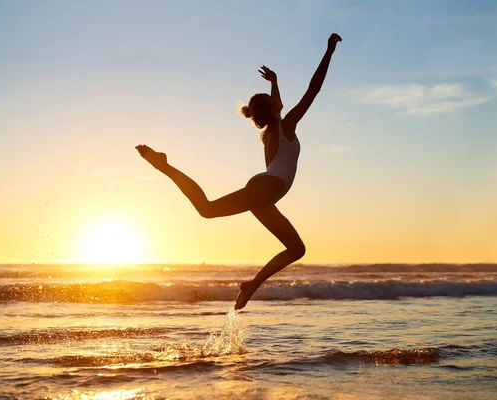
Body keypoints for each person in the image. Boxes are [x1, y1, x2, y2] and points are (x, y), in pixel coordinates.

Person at [136, 33, 342, 310]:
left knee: (294, 248)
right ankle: (163, 165)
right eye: (276, 103)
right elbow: (313, 89)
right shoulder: (286, 125)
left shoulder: (273, 131)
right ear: (274, 109)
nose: (279, 103)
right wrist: (328, 52)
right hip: (266, 189)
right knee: (208, 210)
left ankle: (251, 285)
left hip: (265, 191)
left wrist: (275, 83)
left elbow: (275, 106)